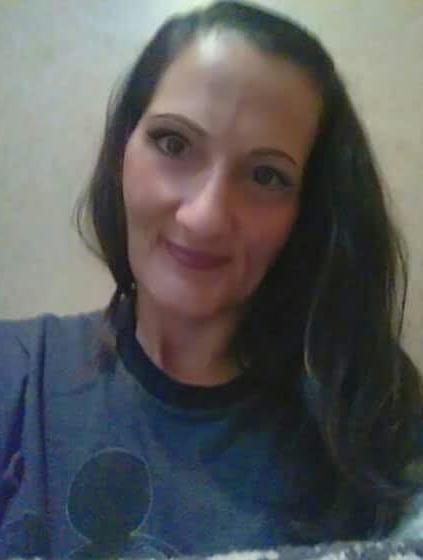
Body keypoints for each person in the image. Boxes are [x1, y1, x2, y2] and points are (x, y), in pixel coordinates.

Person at [1, 1, 422, 558]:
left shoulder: (371, 417)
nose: (205, 217)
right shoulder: (16, 374)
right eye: (174, 144)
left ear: (308, 211)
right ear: (123, 149)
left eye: (266, 175)